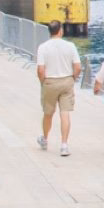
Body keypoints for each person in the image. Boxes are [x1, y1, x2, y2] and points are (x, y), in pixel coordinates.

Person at [36, 20, 81, 156]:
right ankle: (64, 145)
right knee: (65, 113)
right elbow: (78, 67)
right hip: (67, 80)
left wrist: (43, 82)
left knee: (48, 113)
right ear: (60, 30)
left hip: (50, 81)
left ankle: (45, 138)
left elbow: (40, 70)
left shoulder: (43, 47)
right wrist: (73, 77)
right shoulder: (70, 46)